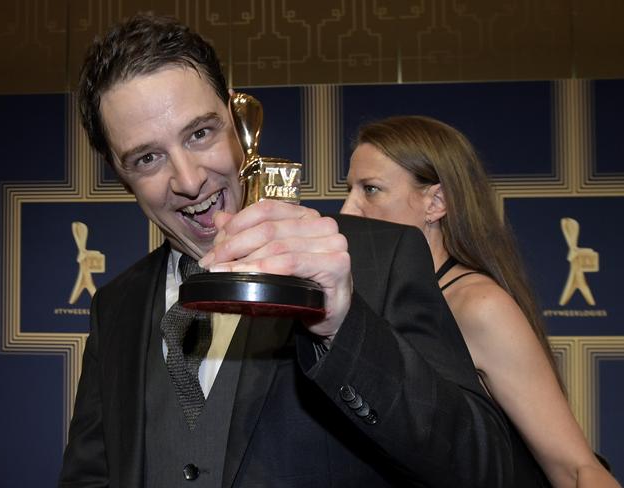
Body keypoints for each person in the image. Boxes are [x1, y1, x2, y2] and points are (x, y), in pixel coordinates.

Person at [59, 14, 550, 487]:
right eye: (147, 158)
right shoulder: (115, 306)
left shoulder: (381, 256)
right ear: (120, 175)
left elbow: (481, 467)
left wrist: (344, 325)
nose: (188, 180)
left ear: (238, 120)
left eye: (200, 133)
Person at [341, 115, 621, 488]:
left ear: (435, 201)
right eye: (350, 190)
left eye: (370, 189)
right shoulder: (375, 303)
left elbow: (575, 469)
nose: (347, 210)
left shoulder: (478, 305)